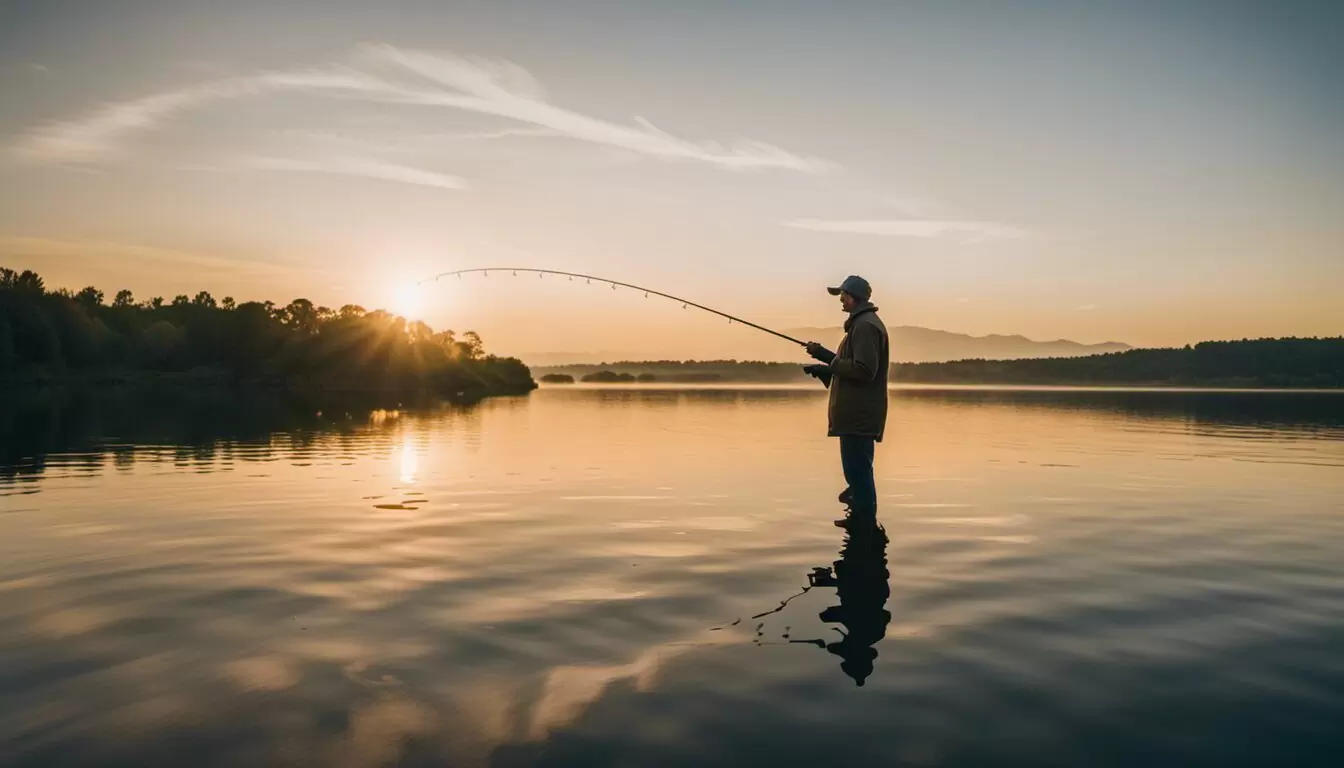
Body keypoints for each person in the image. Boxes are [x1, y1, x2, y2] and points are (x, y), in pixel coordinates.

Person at [802, 275, 890, 521]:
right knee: (856, 474)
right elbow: (852, 367)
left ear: (854, 297)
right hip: (856, 415)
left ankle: (863, 528)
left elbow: (864, 371)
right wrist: (827, 369)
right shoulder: (862, 324)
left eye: (843, 295)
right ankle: (861, 525)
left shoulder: (865, 326)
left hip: (859, 417)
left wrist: (825, 356)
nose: (840, 299)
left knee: (859, 474)